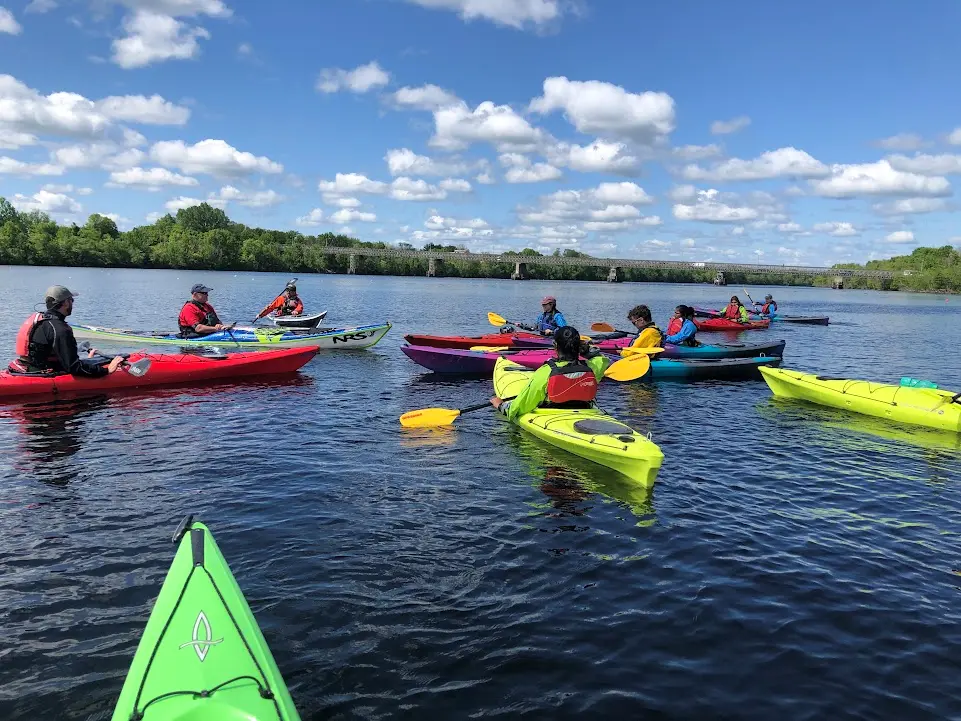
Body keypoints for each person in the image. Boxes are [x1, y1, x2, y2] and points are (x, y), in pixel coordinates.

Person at [490, 326, 610, 422]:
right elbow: (602, 360)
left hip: (551, 415)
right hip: (587, 412)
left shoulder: (546, 372)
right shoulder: (591, 368)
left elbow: (519, 407)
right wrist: (587, 351)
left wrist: (501, 406)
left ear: (555, 347)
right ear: (579, 346)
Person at [9, 286, 124, 376]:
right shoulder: (60, 329)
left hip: (26, 366)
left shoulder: (41, 320)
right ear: (65, 303)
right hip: (41, 371)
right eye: (71, 300)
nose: (73, 303)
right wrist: (107, 370)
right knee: (103, 364)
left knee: (96, 361)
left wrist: (90, 361)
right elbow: (74, 368)